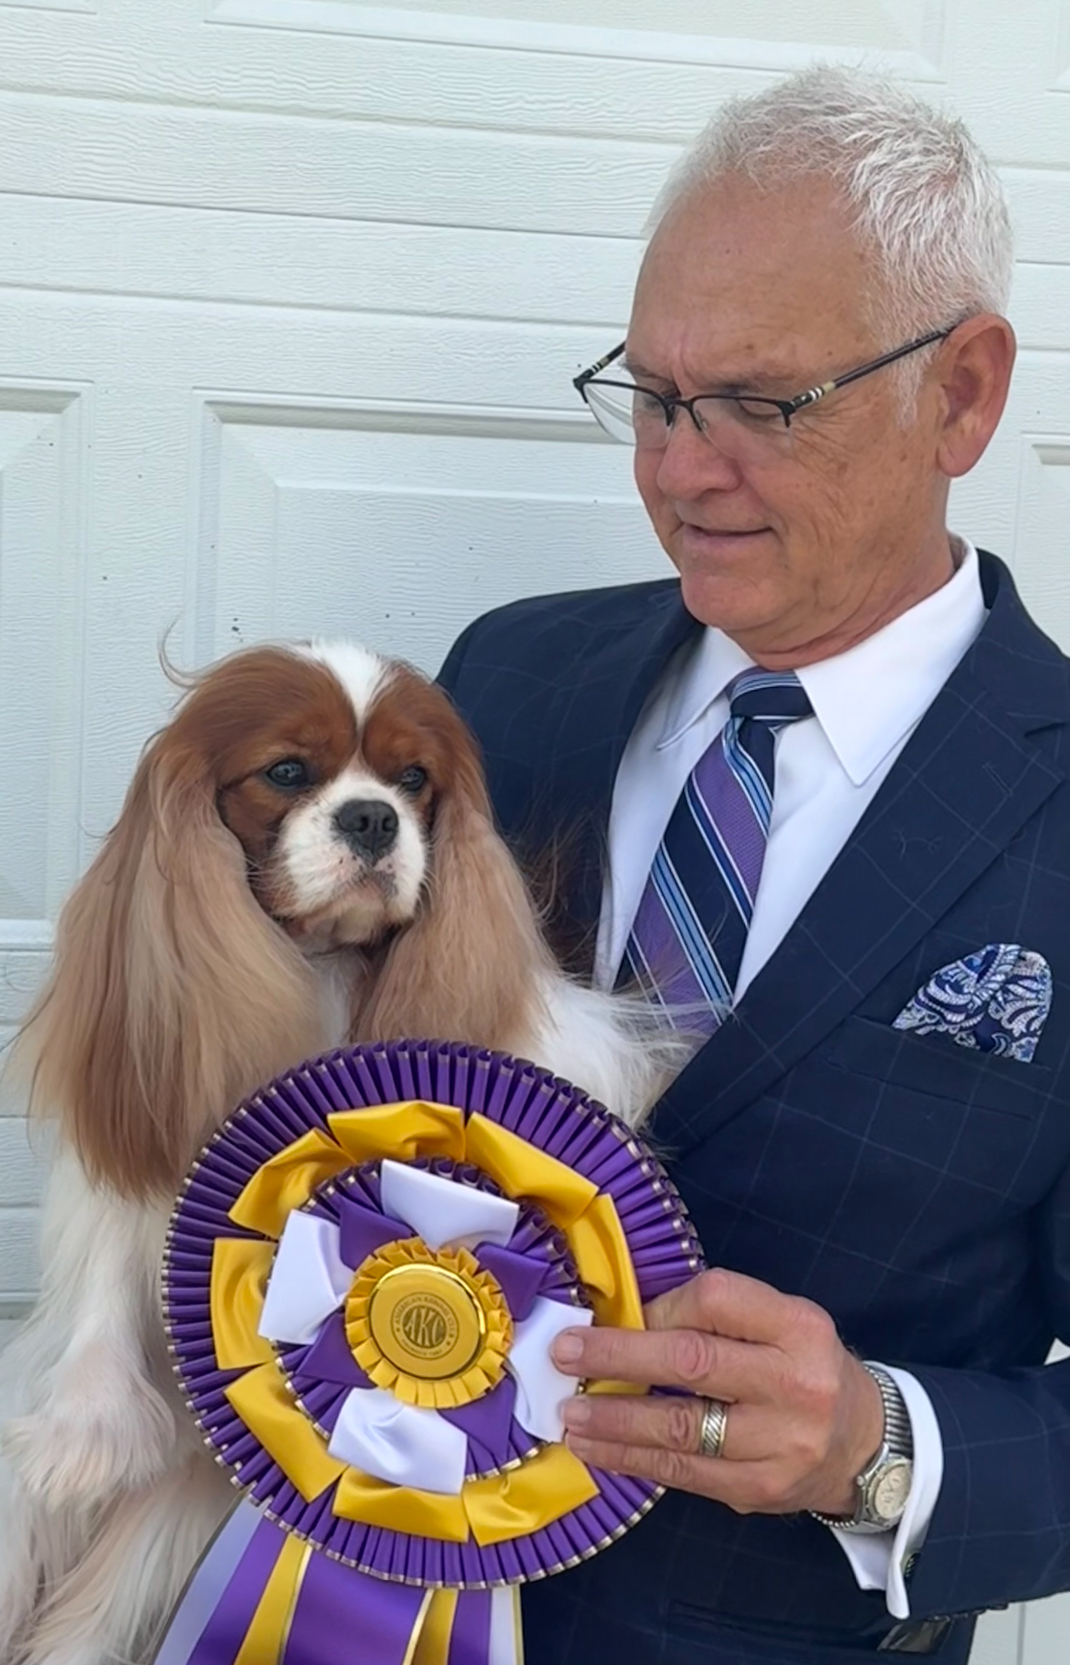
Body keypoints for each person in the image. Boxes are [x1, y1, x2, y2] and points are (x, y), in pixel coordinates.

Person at [436, 64, 1070, 1665]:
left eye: (762, 405)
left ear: (962, 394)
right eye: (653, 396)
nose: (677, 469)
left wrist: (878, 1445)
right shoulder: (506, 683)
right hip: (376, 1605)